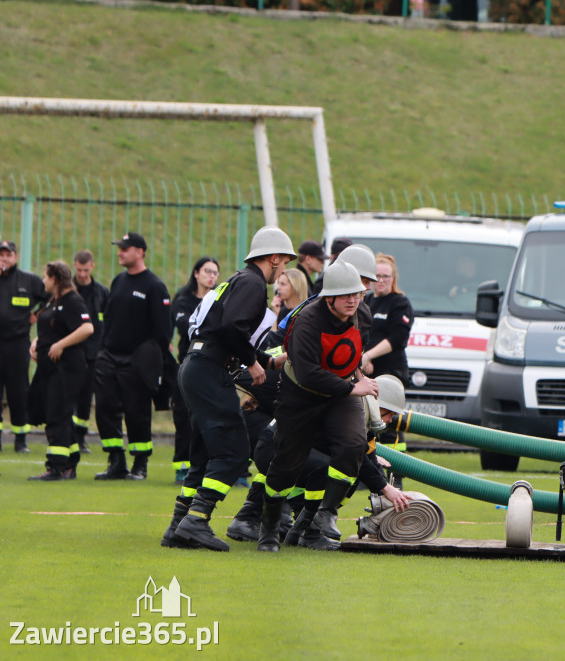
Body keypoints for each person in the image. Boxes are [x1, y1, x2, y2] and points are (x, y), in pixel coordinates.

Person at [161, 226, 296, 552]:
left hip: (196, 364)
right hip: (209, 369)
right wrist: (252, 362)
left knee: (205, 452)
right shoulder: (252, 283)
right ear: (274, 257)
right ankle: (197, 521)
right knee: (234, 452)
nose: (283, 269)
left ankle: (179, 525)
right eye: (284, 262)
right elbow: (232, 327)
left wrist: (268, 361)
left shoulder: (238, 280)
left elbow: (223, 331)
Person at [258, 261, 383, 553]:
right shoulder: (308, 321)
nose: (353, 300)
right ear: (329, 298)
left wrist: (357, 379)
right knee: (287, 465)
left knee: (354, 444)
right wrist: (354, 388)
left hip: (340, 394)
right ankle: (269, 528)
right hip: (301, 395)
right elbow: (308, 373)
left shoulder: (361, 314)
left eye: (357, 293)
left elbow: (355, 355)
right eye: (346, 295)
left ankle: (325, 514)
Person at [92, 233, 172, 482]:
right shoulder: (118, 281)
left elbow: (163, 331)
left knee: (137, 413)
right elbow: (109, 319)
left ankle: (140, 465)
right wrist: (103, 349)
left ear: (140, 252)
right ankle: (116, 461)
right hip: (109, 357)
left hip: (137, 361)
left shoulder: (154, 286)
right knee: (105, 409)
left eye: (124, 249)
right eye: (119, 248)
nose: (119, 252)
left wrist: (147, 358)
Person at [26, 261, 94, 480]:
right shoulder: (53, 301)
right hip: (50, 368)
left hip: (67, 368)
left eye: (46, 277)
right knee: (55, 412)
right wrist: (37, 341)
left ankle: (55, 467)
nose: (43, 281)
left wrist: (60, 345)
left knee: (58, 414)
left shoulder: (73, 301)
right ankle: (70, 462)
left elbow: (87, 327)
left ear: (54, 279)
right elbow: (49, 326)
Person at [169, 257, 220, 483]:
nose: (211, 276)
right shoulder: (183, 300)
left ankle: (207, 465)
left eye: (215, 273)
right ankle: (182, 465)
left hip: (210, 367)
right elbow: (185, 326)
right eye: (207, 271)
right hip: (186, 366)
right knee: (183, 417)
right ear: (196, 273)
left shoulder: (218, 300)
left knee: (206, 418)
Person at [362, 253, 415, 454]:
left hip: (391, 372)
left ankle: (396, 471)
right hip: (369, 373)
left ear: (393, 278)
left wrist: (368, 356)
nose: (381, 280)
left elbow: (397, 338)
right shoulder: (365, 300)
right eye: (378, 276)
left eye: (386, 276)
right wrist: (361, 358)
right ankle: (369, 469)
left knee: (390, 425)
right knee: (369, 423)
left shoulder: (399, 302)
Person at [0, 239, 47, 453]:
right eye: (1, 255)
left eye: (8, 255)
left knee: (18, 392)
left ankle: (21, 439)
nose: (4, 259)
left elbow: (51, 297)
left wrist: (37, 315)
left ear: (15, 257)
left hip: (17, 344)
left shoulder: (29, 281)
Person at [71, 250, 109, 456]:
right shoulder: (67, 291)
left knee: (86, 398)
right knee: (69, 395)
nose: (82, 274)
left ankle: (80, 436)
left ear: (92, 267)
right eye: (78, 270)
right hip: (72, 352)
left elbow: (109, 320)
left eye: (85, 270)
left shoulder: (101, 292)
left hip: (95, 352)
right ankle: (67, 436)